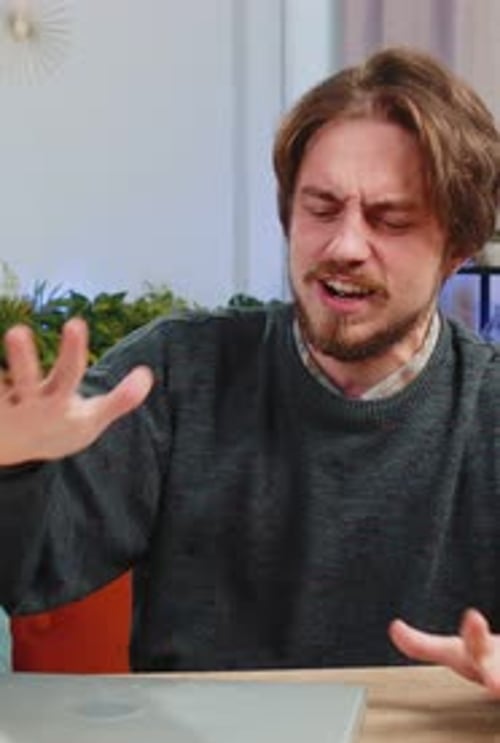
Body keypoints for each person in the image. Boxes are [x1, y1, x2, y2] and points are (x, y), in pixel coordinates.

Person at [1, 46, 500, 691]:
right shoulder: (177, 373)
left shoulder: (489, 412)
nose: (344, 246)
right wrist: (14, 467)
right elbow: (31, 571)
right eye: (321, 209)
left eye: (390, 220)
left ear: (457, 251)